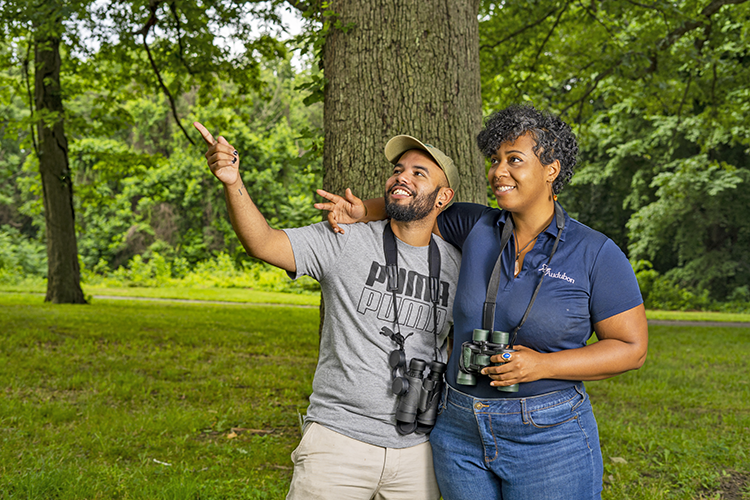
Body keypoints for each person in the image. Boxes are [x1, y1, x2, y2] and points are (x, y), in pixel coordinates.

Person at [316, 104, 649, 499]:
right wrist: (363, 210)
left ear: (551, 169)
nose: (498, 172)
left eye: (514, 160)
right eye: (495, 160)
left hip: (548, 435)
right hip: (458, 431)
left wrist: (541, 365)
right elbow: (418, 206)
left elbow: (631, 349)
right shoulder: (475, 225)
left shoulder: (595, 252)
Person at [194, 122, 462, 500]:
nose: (402, 177)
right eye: (398, 170)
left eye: (419, 173)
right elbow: (263, 242)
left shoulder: (458, 265)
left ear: (442, 197)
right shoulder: (344, 240)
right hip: (338, 441)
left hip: (419, 449)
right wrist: (232, 181)